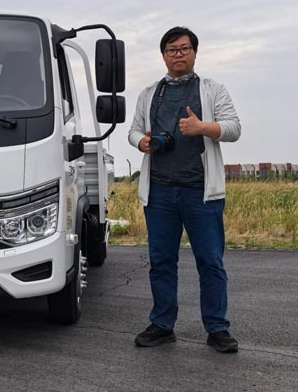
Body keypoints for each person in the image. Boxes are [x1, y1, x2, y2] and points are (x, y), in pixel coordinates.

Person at [128, 27, 241, 353]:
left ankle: (217, 328)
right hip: (160, 191)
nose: (178, 54)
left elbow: (234, 128)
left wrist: (202, 127)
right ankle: (162, 324)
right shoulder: (149, 93)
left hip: (200, 191)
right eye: (172, 49)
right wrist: (141, 143)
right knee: (161, 261)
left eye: (184, 48)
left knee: (210, 262)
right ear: (163, 55)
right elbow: (134, 130)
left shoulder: (212, 89)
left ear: (194, 52)